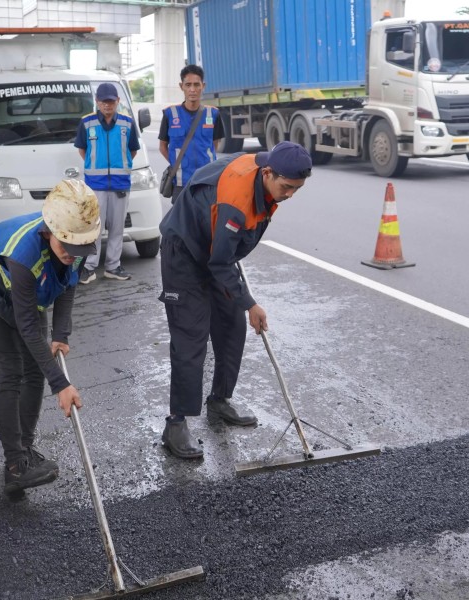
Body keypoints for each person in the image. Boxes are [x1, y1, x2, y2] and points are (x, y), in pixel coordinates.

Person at [157, 141, 313, 459]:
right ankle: (175, 424)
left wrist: (241, 301)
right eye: (286, 187)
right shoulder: (236, 202)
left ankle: (219, 400)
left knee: (232, 326)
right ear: (268, 173)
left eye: (297, 189)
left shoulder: (261, 168)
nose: (290, 195)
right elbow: (219, 263)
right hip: (184, 252)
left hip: (214, 245)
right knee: (190, 339)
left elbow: (223, 253)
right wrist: (251, 303)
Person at [0, 179, 101, 497]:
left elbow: (68, 285)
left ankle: (24, 451)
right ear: (48, 232)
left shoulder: (78, 240)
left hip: (28, 295)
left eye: (79, 248)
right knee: (11, 372)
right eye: (66, 246)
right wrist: (62, 385)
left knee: (35, 370)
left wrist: (61, 334)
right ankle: (15, 467)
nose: (72, 254)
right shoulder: (23, 256)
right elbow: (26, 327)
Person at [73, 82, 140, 284]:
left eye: (111, 101)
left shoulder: (127, 123)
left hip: (120, 184)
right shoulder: (87, 123)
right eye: (103, 101)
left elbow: (132, 151)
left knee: (117, 228)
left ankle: (113, 266)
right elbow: (83, 151)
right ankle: (89, 267)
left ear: (118, 101)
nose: (107, 105)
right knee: (94, 228)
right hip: (96, 185)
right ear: (97, 102)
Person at [158, 65, 225, 203]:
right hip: (180, 184)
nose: (192, 89)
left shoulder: (213, 114)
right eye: (188, 85)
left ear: (203, 86)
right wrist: (178, 164)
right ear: (181, 86)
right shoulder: (170, 114)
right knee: (181, 224)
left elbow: (214, 144)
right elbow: (163, 146)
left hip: (206, 182)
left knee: (206, 223)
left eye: (196, 85)